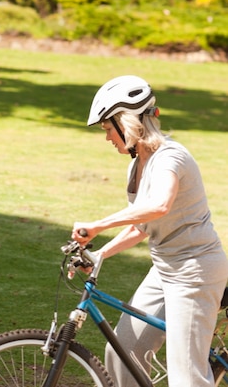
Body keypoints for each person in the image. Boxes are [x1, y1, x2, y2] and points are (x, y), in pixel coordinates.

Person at [71, 75, 228, 387]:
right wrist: (100, 253)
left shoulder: (171, 157)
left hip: (194, 271)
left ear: (125, 122)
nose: (107, 138)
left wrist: (98, 225)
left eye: (107, 128)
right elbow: (143, 226)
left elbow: (159, 206)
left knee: (187, 378)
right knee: (124, 352)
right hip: (164, 268)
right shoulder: (136, 165)